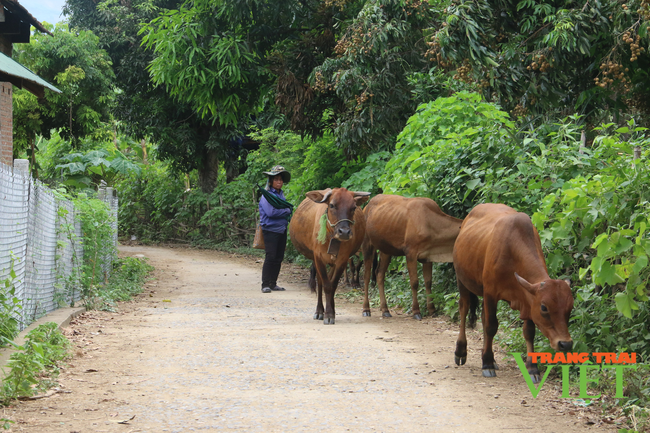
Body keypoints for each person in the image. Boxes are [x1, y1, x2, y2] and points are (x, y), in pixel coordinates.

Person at [259, 165, 292, 293]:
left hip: (281, 229)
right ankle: (265, 284)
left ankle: (273, 283)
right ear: (271, 181)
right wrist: (285, 210)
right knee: (271, 256)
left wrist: (284, 210)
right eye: (276, 179)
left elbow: (282, 210)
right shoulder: (267, 196)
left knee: (279, 257)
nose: (279, 182)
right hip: (270, 230)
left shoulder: (280, 194)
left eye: (281, 179)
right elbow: (271, 212)